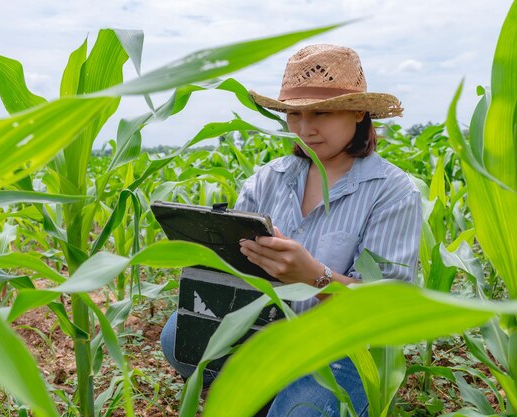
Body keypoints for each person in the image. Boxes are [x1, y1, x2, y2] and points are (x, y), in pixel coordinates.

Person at [160, 44, 422, 416]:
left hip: (344, 348)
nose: (305, 128)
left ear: (358, 111)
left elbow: (389, 311)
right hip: (270, 327)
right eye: (294, 114)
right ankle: (267, 397)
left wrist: (315, 277)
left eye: (321, 113)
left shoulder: (391, 191)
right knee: (177, 336)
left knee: (302, 411)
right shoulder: (269, 178)